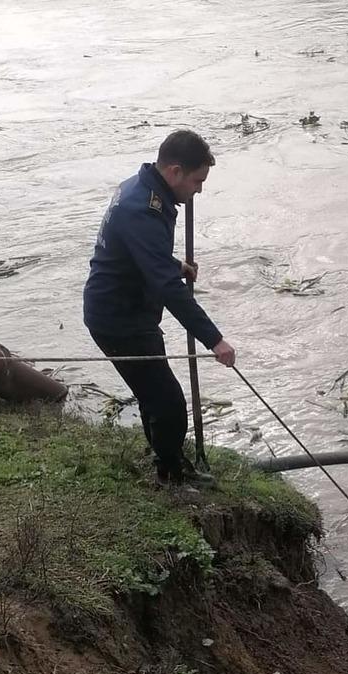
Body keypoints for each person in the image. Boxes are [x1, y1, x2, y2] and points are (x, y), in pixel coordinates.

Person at [83, 129, 236, 487]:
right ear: (175, 172)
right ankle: (171, 476)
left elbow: (138, 251)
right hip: (119, 319)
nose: (199, 190)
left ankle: (168, 462)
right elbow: (168, 290)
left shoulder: (142, 188)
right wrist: (215, 341)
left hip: (128, 310)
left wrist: (171, 264)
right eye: (197, 181)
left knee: (154, 395)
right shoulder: (142, 207)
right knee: (168, 402)